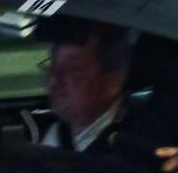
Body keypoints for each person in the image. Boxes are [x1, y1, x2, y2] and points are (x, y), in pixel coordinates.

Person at [26, 21, 132, 152]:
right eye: (52, 63)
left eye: (73, 69)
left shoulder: (133, 143)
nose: (54, 78)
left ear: (112, 83)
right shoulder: (54, 131)